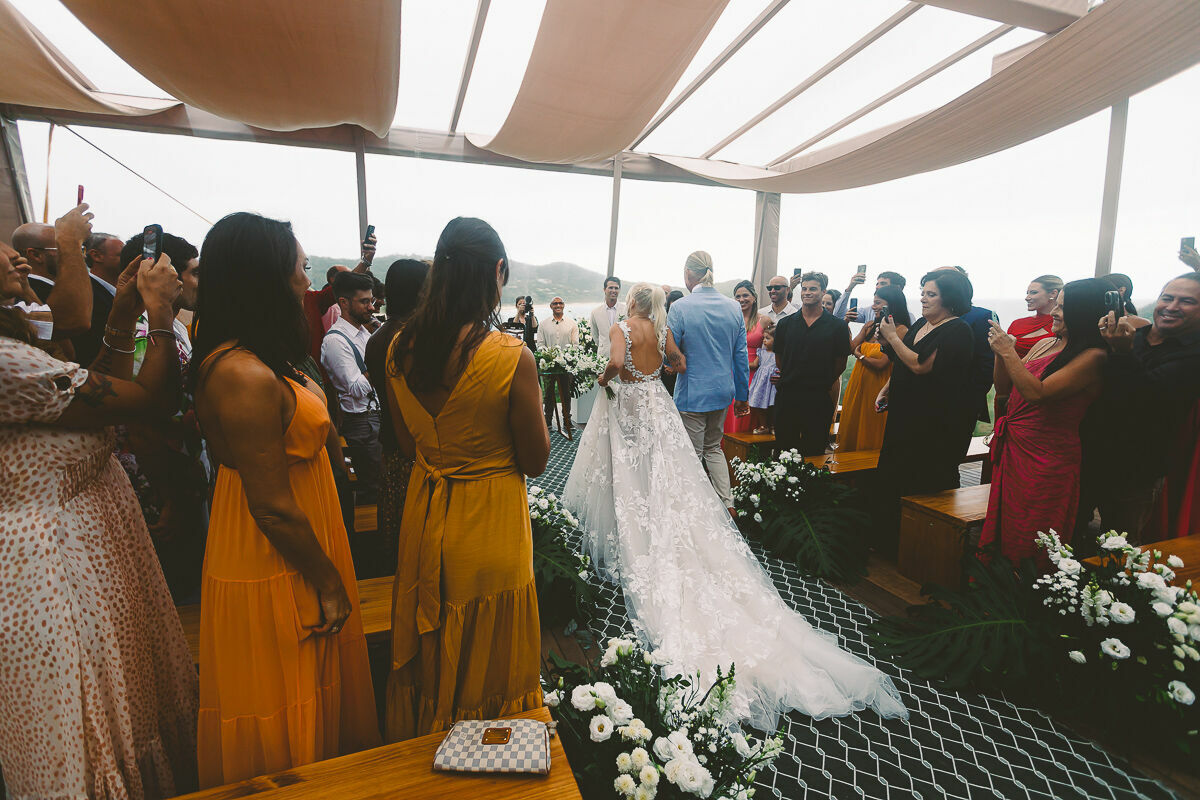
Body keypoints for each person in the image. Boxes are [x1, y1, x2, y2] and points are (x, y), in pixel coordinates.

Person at [563, 282, 906, 732]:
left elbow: (611, 363)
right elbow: (676, 362)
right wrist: (654, 376)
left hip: (627, 404)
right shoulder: (660, 327)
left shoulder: (623, 329)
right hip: (656, 402)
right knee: (670, 469)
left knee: (628, 470)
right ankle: (693, 510)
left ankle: (638, 526)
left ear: (631, 302)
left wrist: (604, 379)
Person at [0, 232, 199, 799]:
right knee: (89, 725)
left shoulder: (13, 341)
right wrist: (160, 313)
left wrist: (121, 313)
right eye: (1, 244)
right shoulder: (5, 361)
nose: (15, 256)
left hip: (88, 554)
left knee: (128, 714)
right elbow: (147, 402)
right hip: (50, 573)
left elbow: (100, 390)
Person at [192, 213, 380, 786]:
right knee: (285, 686)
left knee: (311, 682)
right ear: (266, 279)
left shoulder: (256, 355)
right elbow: (270, 506)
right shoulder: (243, 373)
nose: (307, 280)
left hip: (301, 534)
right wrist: (327, 580)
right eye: (300, 267)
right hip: (276, 552)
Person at [384, 217, 548, 741]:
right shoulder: (509, 356)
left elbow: (409, 446)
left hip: (426, 515)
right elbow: (538, 459)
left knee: (434, 639)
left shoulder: (397, 350)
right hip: (490, 524)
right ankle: (489, 755)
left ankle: (428, 745)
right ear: (497, 273)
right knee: (490, 647)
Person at [979, 279, 1109, 563]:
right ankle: (995, 588)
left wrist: (1008, 352)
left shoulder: (1094, 356)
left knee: (1032, 530)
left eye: (1063, 307)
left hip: (1046, 455)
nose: (1055, 313)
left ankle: (1024, 595)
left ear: (1084, 312)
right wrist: (1001, 355)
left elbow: (1037, 393)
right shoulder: (1046, 343)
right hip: (1016, 446)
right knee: (1007, 521)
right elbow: (1004, 390)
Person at [114, 230, 209, 601]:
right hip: (155, 478)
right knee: (177, 586)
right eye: (195, 272)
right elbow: (141, 418)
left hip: (182, 467)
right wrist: (169, 494)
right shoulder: (141, 333)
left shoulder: (175, 326)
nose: (201, 282)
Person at [1080, 273, 1200, 542]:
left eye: (1187, 301)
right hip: (1089, 456)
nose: (1171, 306)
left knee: (1119, 549)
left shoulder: (1193, 356)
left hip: (1136, 469)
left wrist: (1121, 353)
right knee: (1069, 536)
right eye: (1167, 298)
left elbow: (1144, 400)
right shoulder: (1133, 336)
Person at [873, 270, 976, 555]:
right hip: (903, 415)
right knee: (893, 474)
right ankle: (888, 541)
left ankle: (922, 548)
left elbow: (919, 365)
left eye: (931, 294)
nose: (923, 299)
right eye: (923, 293)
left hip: (932, 421)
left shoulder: (958, 330)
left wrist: (892, 338)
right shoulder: (921, 323)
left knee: (922, 479)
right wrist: (888, 388)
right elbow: (904, 364)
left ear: (950, 299)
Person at [666, 251, 749, 512]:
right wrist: (742, 395)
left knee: (692, 454)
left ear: (689, 274)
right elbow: (741, 355)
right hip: (723, 392)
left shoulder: (680, 307)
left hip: (693, 392)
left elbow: (672, 354)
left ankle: (695, 510)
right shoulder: (733, 307)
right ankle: (727, 503)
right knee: (714, 447)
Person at [366, 258, 430, 572]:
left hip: (390, 446)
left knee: (397, 530)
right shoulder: (411, 342)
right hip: (415, 453)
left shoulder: (378, 338)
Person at [773, 271, 851, 457]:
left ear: (823, 291)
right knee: (784, 452)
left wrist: (822, 380)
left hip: (818, 398)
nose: (807, 292)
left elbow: (840, 363)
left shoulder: (837, 327)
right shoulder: (785, 324)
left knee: (814, 452)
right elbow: (779, 357)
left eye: (813, 289)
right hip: (787, 396)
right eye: (805, 288)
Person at [322, 270, 383, 498]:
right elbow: (356, 389)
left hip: (373, 418)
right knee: (371, 488)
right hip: (359, 424)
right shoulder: (336, 341)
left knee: (380, 484)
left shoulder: (363, 333)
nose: (371, 307)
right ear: (344, 303)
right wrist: (380, 361)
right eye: (365, 302)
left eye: (372, 301)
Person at [838, 285, 911, 452]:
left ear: (891, 305)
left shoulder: (901, 330)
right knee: (853, 422)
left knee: (872, 426)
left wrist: (860, 356)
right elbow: (850, 348)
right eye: (874, 302)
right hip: (859, 383)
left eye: (878, 303)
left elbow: (882, 364)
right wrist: (845, 324)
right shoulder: (870, 326)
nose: (873, 307)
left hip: (879, 386)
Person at [13, 215, 93, 342]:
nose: (80, 256)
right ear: (36, 255)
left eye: (80, 249)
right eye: (63, 247)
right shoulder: (24, 295)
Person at [302, 233, 376, 362]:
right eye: (302, 268)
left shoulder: (311, 300)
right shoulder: (335, 341)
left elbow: (348, 283)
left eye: (306, 269)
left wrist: (365, 261)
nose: (308, 281)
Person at [537, 295, 579, 437]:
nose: (558, 305)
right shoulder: (543, 324)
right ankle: (547, 422)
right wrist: (548, 357)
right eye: (555, 303)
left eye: (560, 303)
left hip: (566, 366)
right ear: (551, 306)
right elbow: (540, 344)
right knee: (548, 394)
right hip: (549, 366)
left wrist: (568, 358)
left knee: (566, 393)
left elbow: (575, 345)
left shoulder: (572, 323)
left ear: (564, 305)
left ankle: (567, 421)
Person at [725, 279, 763, 434]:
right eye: (738, 296)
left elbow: (771, 348)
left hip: (755, 374)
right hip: (733, 371)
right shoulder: (729, 320)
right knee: (731, 412)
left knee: (751, 413)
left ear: (754, 297)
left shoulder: (764, 320)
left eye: (745, 295)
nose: (741, 299)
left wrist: (757, 361)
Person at [834, 270, 906, 325]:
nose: (877, 287)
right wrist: (850, 287)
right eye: (877, 284)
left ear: (897, 288)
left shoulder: (907, 317)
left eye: (883, 284)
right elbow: (838, 315)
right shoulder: (868, 311)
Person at [748, 318, 777, 434]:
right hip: (761, 384)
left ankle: (774, 426)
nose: (764, 341)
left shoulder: (779, 354)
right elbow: (754, 364)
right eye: (764, 338)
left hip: (773, 384)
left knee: (773, 405)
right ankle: (763, 425)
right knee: (759, 405)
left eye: (768, 338)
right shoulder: (761, 352)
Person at [590, 276, 626, 359]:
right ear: (604, 289)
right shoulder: (595, 312)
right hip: (603, 356)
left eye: (616, 288)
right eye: (610, 288)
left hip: (622, 356)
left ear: (619, 290)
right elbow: (595, 335)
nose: (613, 291)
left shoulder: (627, 310)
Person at [662, 289, 685, 396]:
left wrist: (675, 366)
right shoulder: (662, 321)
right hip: (663, 366)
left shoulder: (687, 321)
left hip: (681, 365)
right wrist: (665, 364)